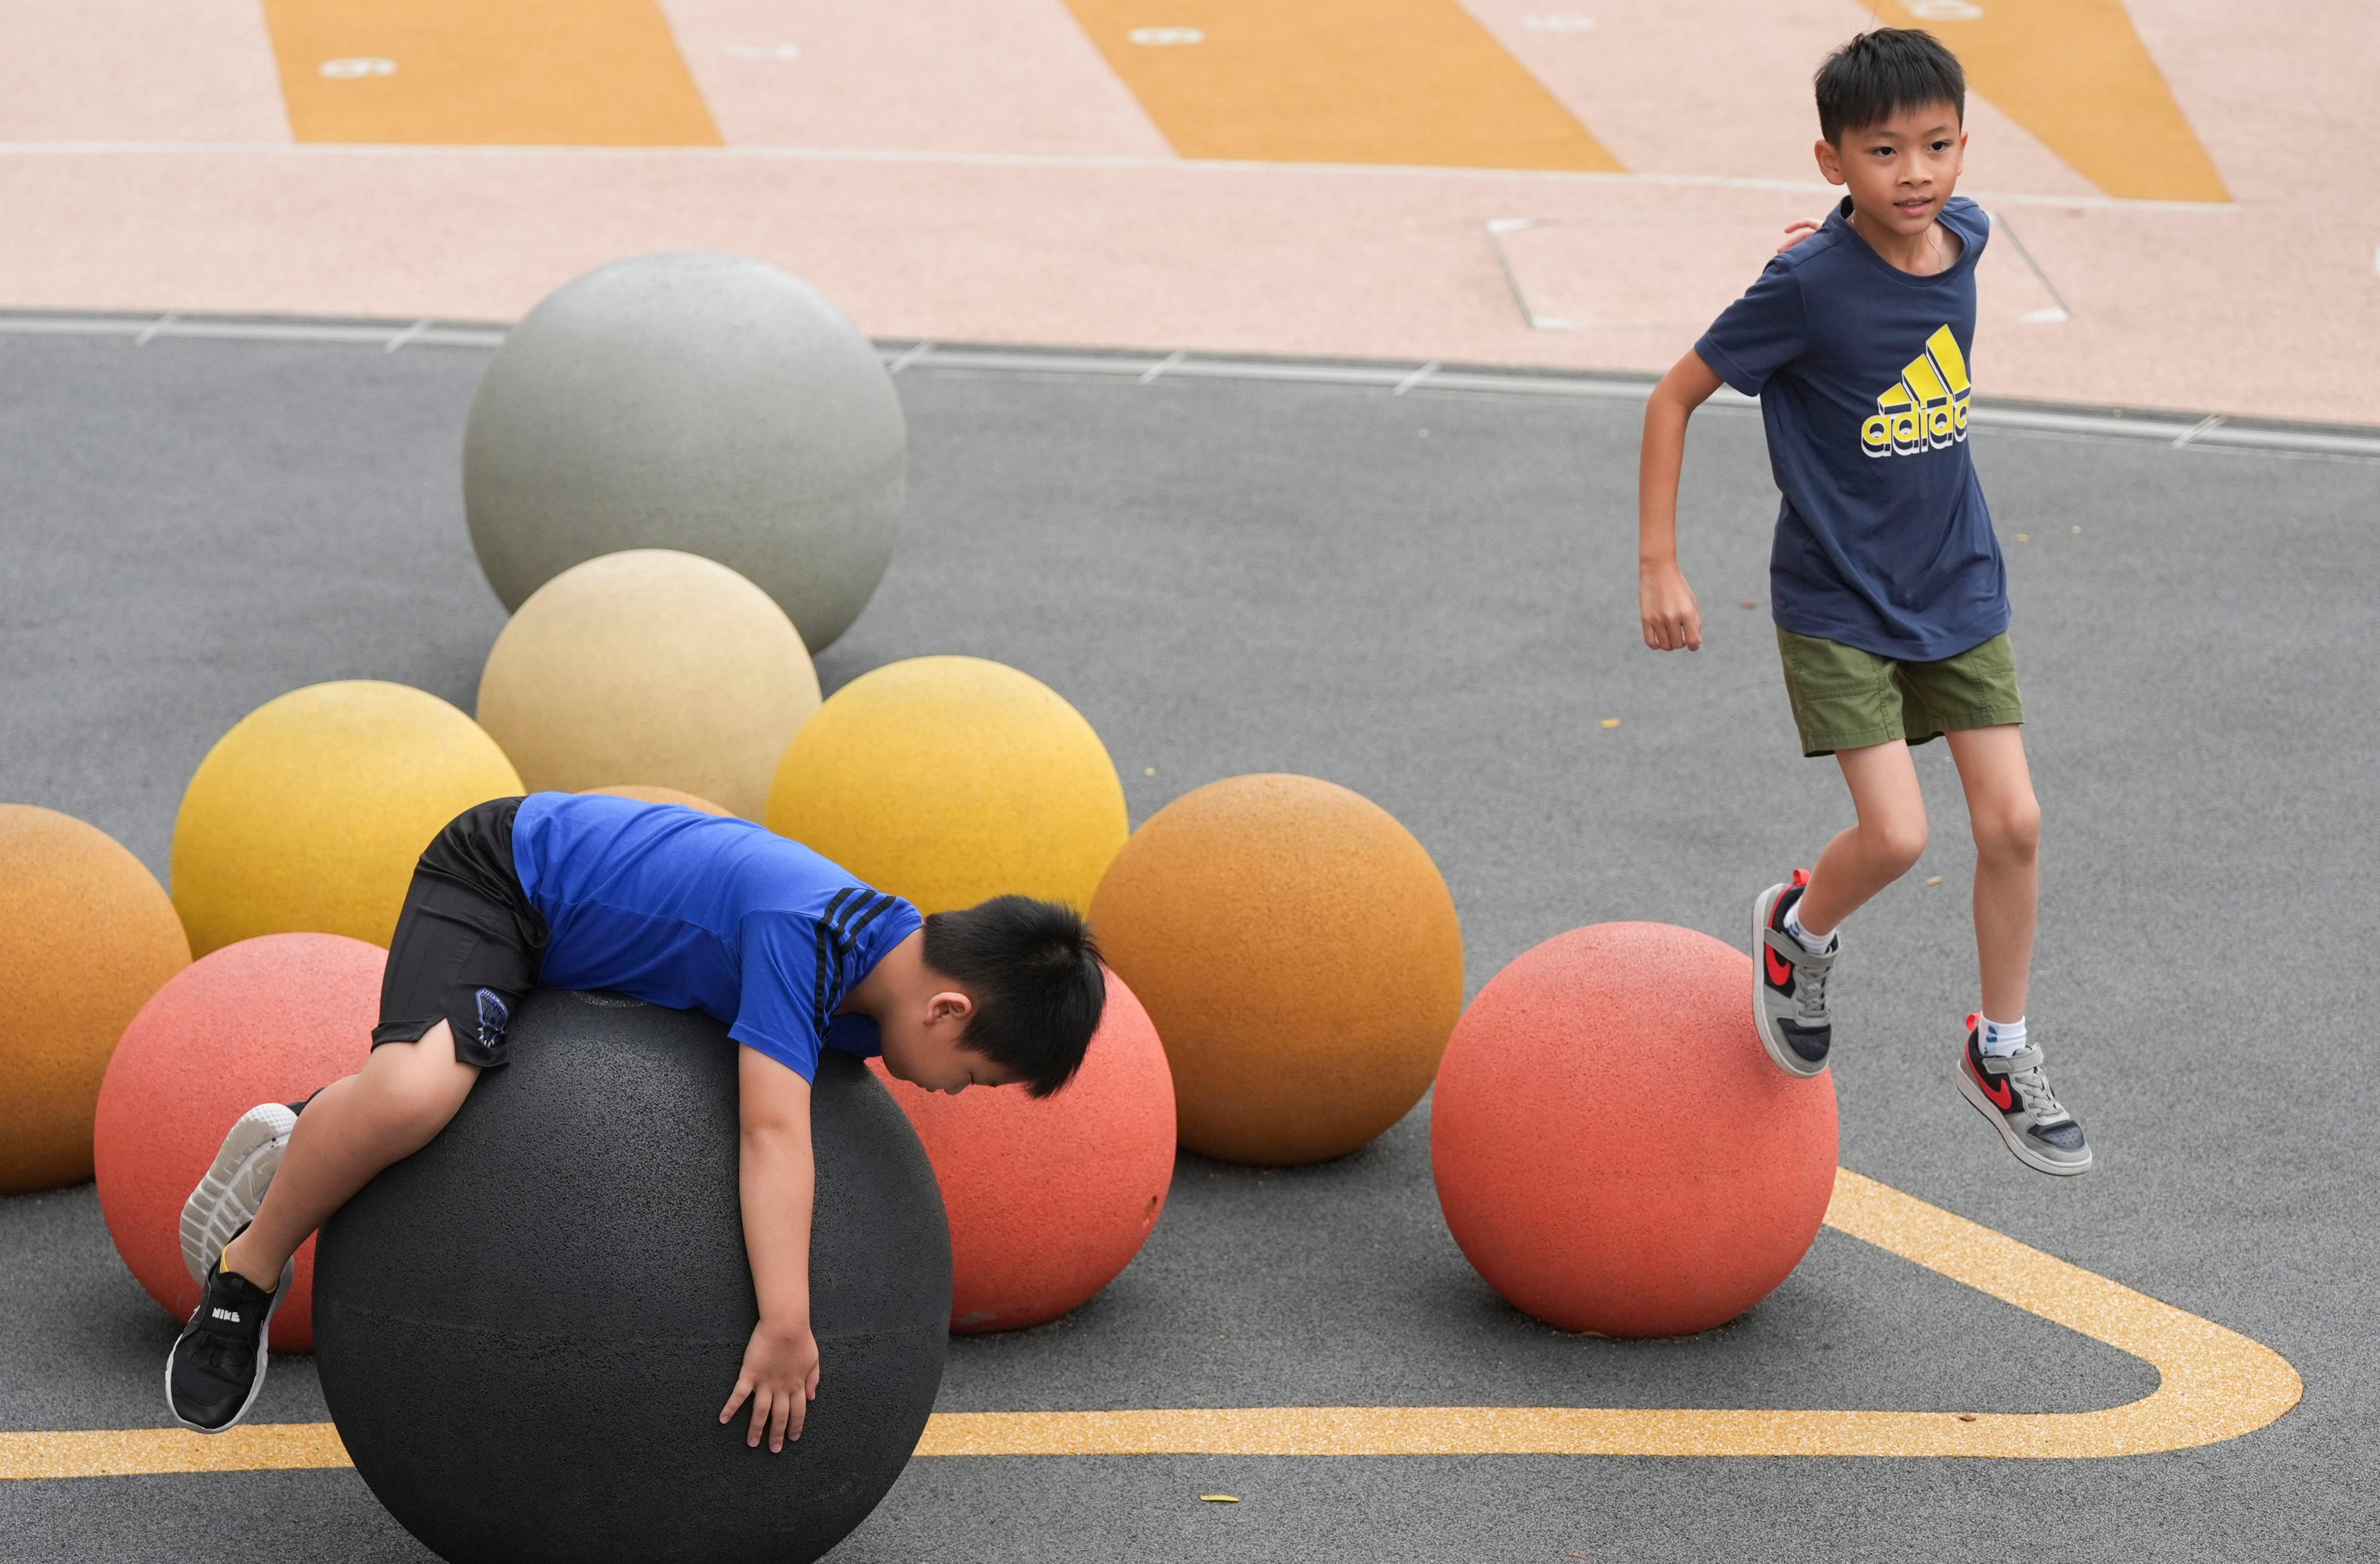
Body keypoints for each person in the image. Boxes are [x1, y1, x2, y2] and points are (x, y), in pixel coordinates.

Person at [164, 792, 1106, 1439]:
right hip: (503, 884)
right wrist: (787, 1321)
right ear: (948, 1012)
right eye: (974, 1077)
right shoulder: (809, 937)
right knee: (417, 1094)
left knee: (416, 1095)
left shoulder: (882, 972)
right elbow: (772, 1132)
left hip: (581, 949)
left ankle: (320, 1123)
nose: (952, 1095)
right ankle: (248, 1270)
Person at [1634, 28, 2089, 1176]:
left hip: (1956, 578)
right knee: (1895, 834)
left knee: (2014, 823)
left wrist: (1838, 237)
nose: (1915, 174)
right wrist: (1658, 563)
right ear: (1831, 161)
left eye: (1935, 146)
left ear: (1962, 147)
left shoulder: (1967, 236)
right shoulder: (1803, 288)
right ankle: (1795, 929)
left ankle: (1999, 1046)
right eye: (1882, 152)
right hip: (1836, 594)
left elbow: (1934, 231)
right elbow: (1672, 396)